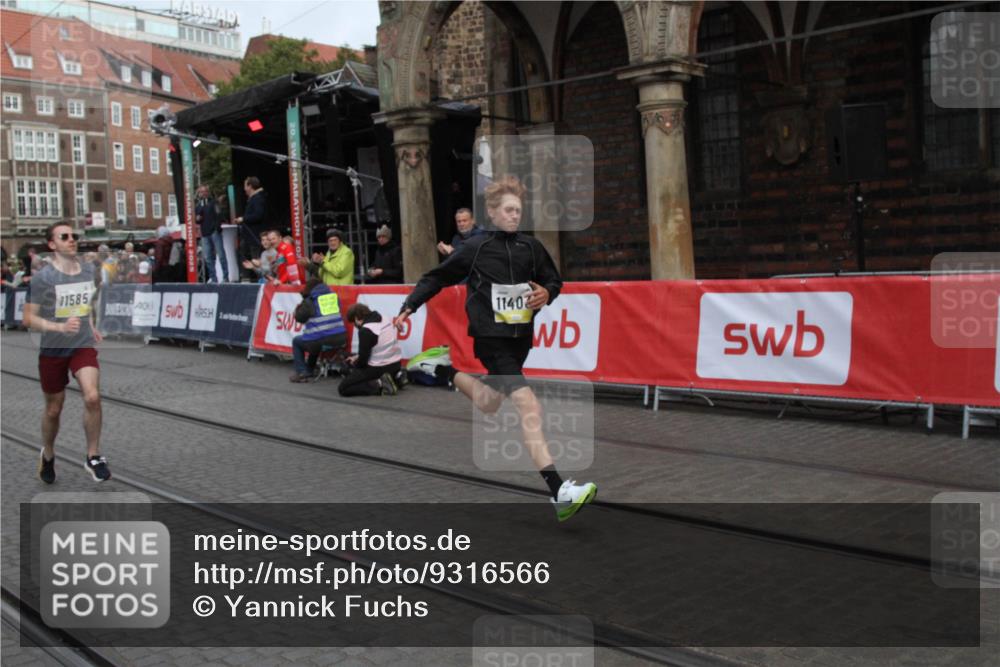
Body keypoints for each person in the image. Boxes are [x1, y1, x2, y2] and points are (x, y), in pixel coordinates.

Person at [395, 176, 597, 522]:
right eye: (508, 210)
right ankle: (559, 490)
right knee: (527, 403)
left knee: (489, 403)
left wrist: (547, 293)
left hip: (520, 340)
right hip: (490, 338)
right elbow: (437, 277)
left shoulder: (531, 248)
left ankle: (440, 368)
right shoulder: (475, 249)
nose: (515, 216)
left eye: (518, 210)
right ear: (492, 212)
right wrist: (409, 306)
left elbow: (554, 280)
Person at [23, 222, 111, 482]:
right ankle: (48, 453)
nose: (72, 240)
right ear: (52, 245)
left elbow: (86, 304)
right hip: (52, 348)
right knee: (54, 409)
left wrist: (91, 325)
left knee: (92, 397)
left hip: (81, 344)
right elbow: (28, 318)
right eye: (65, 236)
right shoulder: (42, 279)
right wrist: (58, 326)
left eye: (74, 236)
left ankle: (93, 456)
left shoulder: (86, 272)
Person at [289, 278, 348, 382]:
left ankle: (302, 372)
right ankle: (309, 369)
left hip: (321, 340)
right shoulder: (334, 297)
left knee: (297, 341)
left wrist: (303, 301)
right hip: (341, 338)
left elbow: (299, 317)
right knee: (314, 338)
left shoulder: (310, 300)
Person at [340, 303, 402, 396]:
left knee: (344, 388)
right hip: (396, 364)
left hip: (380, 367)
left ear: (357, 318)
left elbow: (363, 362)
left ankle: (379, 385)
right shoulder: (384, 318)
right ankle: (396, 377)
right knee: (353, 360)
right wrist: (357, 357)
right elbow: (376, 345)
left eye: (354, 322)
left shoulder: (366, 330)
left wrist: (354, 368)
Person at [235, 177, 267, 278]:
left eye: (245, 186)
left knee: (255, 257)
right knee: (242, 253)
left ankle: (260, 279)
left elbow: (258, 215)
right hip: (248, 235)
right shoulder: (253, 198)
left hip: (254, 235)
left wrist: (243, 219)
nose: (244, 188)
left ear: (250, 186)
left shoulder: (258, 198)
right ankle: (245, 277)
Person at [196, 184, 228, 283]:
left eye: (204, 191)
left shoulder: (214, 202)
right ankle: (214, 278)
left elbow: (219, 215)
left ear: (207, 192)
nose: (202, 193)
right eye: (200, 192)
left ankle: (225, 277)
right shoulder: (198, 205)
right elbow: (197, 219)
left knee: (221, 254)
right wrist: (197, 219)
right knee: (208, 257)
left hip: (214, 231)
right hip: (205, 233)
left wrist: (217, 228)